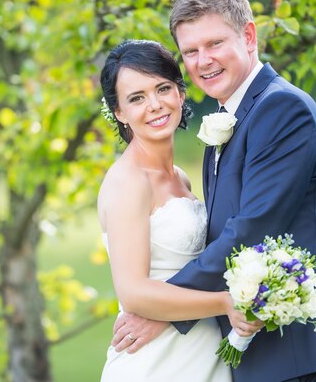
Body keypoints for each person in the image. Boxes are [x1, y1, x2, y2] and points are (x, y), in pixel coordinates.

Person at [110, 0, 316, 382]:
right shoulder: (229, 118)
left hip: (298, 352)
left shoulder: (282, 109)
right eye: (190, 51)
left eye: (214, 43)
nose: (203, 60)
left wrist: (162, 310)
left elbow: (251, 228)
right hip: (248, 352)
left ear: (249, 36)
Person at [97, 39, 263, 382]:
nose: (155, 105)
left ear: (181, 93)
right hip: (154, 362)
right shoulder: (127, 182)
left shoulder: (182, 178)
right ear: (119, 112)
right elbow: (133, 292)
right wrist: (223, 303)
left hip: (202, 351)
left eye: (162, 88)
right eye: (136, 98)